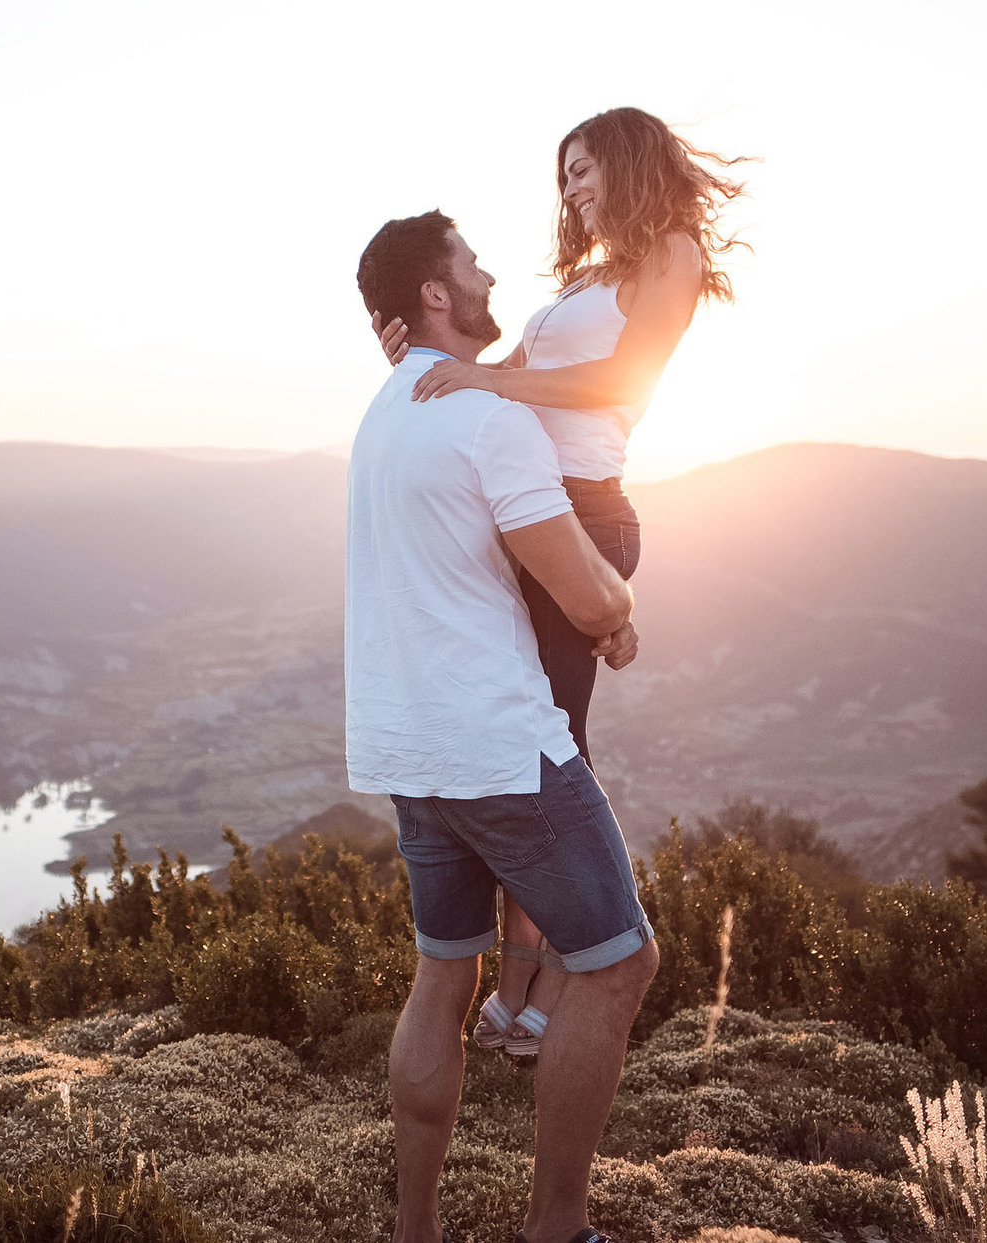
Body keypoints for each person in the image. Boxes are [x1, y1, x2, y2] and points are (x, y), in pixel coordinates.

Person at [373, 109, 745, 1059]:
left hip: (584, 508)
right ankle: (518, 992)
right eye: (564, 176)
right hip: (530, 511)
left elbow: (622, 381)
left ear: (626, 163)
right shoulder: (584, 277)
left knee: (546, 751)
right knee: (520, 749)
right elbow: (499, 372)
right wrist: (429, 357)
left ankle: (539, 1000)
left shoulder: (671, 254)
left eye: (582, 170)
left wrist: (488, 387)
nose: (572, 190)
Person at [348, 209, 661, 1243]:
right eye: (470, 267)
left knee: (445, 970)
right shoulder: (491, 418)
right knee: (616, 963)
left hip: (407, 748)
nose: (487, 279)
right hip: (498, 746)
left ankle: (416, 1233)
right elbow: (579, 587)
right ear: (435, 295)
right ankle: (555, 1231)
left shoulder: (382, 414)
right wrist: (615, 617)